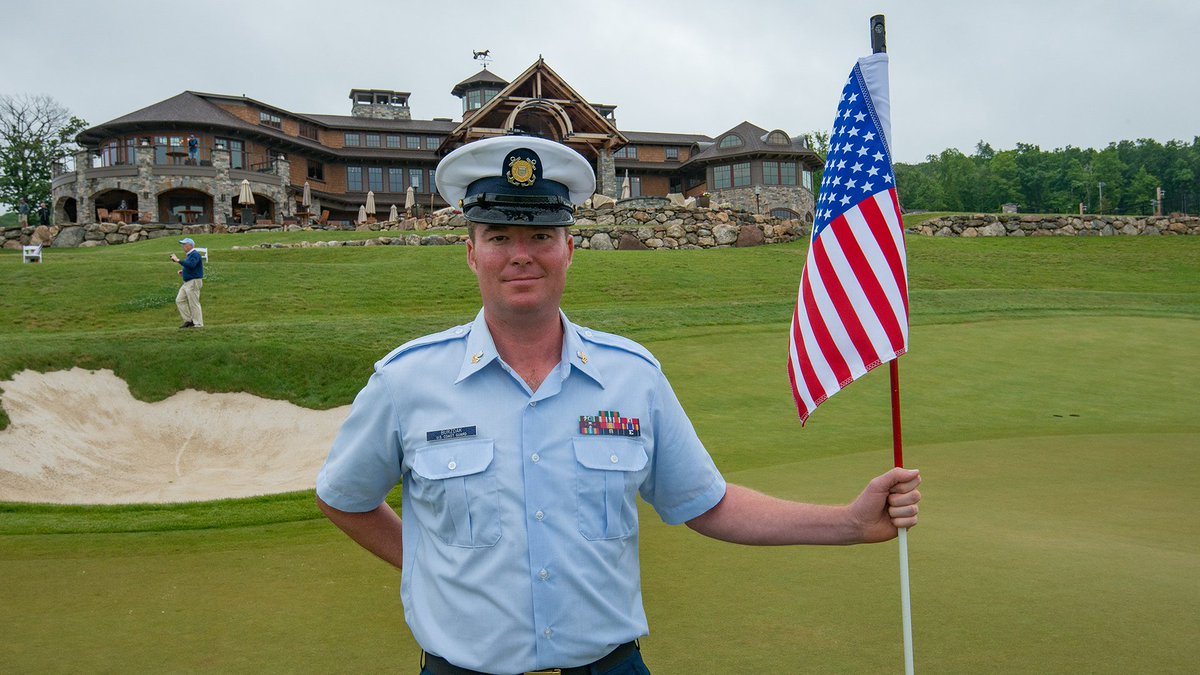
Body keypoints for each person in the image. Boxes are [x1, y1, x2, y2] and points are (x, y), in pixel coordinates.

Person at [315, 136, 921, 675]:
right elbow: (344, 497)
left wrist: (848, 523)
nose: (520, 254)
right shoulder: (407, 381)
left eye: (540, 235)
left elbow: (707, 504)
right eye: (499, 236)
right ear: (471, 253)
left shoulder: (632, 377)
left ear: (569, 249)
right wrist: (429, 566)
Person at [170, 237, 203, 329]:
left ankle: (198, 324)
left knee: (194, 303)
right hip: (187, 282)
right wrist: (183, 272)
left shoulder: (195, 254)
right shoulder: (190, 255)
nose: (183, 246)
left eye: (185, 244)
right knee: (179, 300)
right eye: (182, 244)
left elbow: (192, 265)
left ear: (190, 245)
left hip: (193, 282)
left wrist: (178, 260)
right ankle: (189, 321)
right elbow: (190, 266)